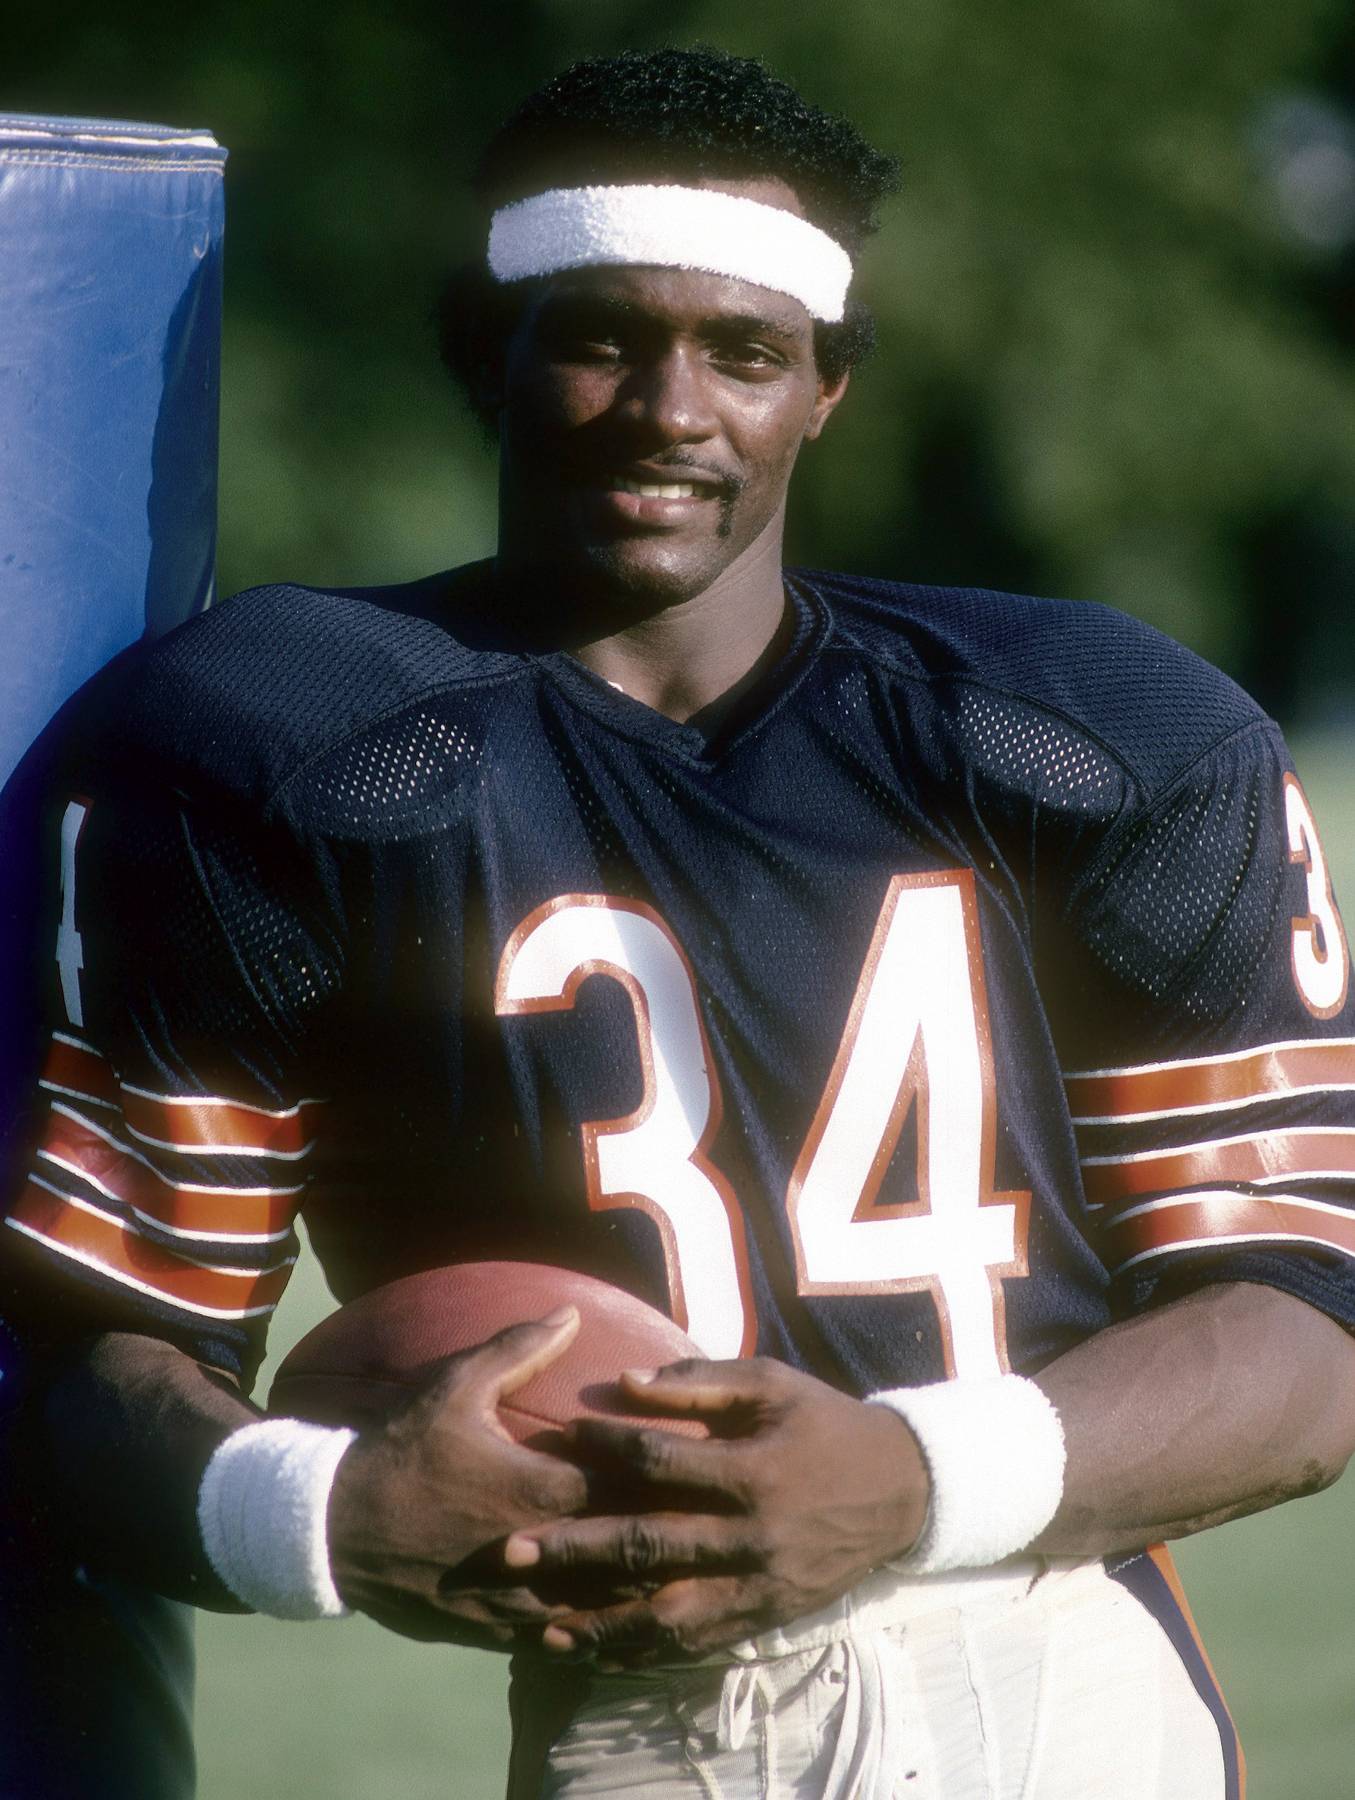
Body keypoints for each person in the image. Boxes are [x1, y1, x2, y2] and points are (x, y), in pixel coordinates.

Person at [4, 45, 1355, 1799]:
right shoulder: (272, 748)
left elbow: (1304, 1337)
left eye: (745, 351)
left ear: (827, 390)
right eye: (599, 337)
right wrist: (322, 1505)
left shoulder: (1087, 732)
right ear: (487, 353)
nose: (672, 408)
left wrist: (908, 1475)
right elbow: (91, 1349)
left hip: (1051, 1650)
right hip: (647, 1705)